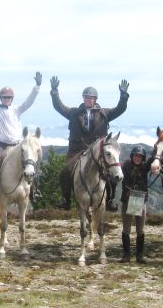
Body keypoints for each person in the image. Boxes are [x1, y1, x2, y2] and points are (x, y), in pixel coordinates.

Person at [51, 76, 129, 211]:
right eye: (86, 97)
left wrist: (123, 96)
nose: (88, 99)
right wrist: (54, 92)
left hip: (98, 151)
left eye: (90, 97)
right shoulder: (74, 112)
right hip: (77, 150)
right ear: (83, 99)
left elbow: (120, 109)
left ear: (95, 99)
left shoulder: (105, 113)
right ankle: (66, 200)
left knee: (111, 172)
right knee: (65, 171)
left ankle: (110, 200)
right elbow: (59, 107)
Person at [0, 66, 42, 200]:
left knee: (31, 163)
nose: (7, 99)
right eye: (4, 97)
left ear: (12, 98)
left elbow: (29, 101)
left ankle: (34, 190)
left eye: (9, 97)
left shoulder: (17, 109)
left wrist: (37, 87)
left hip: (15, 145)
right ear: (1, 98)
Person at [120, 145, 152, 263]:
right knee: (126, 228)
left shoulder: (145, 167)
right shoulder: (125, 166)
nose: (137, 158)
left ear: (143, 158)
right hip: (127, 201)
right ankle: (126, 254)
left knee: (140, 229)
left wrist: (156, 149)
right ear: (132, 156)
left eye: (140, 156)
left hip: (140, 200)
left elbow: (153, 159)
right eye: (135, 156)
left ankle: (139, 255)